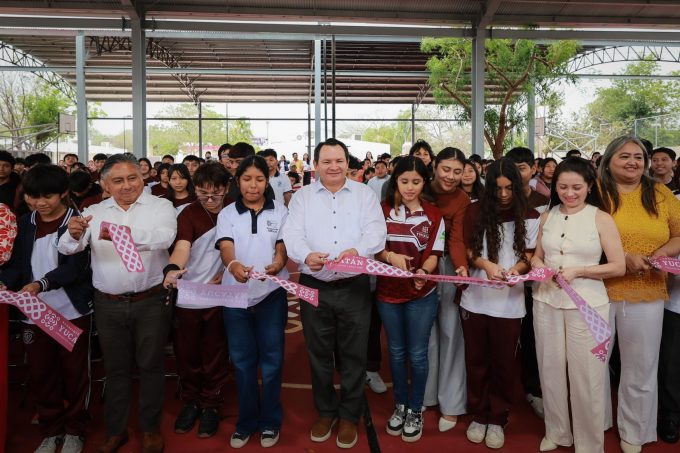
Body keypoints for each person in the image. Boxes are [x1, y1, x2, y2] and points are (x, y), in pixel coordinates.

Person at [58, 153, 177, 453]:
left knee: (151, 366)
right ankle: (116, 430)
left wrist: (119, 234)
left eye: (133, 178)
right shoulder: (94, 211)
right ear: (105, 184)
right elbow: (69, 248)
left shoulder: (160, 206)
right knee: (115, 369)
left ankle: (150, 428)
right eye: (118, 181)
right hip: (108, 303)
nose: (127, 186)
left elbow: (164, 238)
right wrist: (72, 234)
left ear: (143, 177)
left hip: (151, 300)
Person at [282, 138, 386, 449]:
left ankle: (350, 415)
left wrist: (359, 251)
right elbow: (292, 234)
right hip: (313, 284)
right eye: (326, 161)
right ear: (315, 165)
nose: (333, 167)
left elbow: (376, 232)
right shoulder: (302, 198)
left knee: (354, 353)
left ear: (347, 162)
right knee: (318, 352)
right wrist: (305, 255)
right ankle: (326, 411)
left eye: (339, 160)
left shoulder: (364, 194)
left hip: (355, 286)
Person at [531, 157, 625, 453]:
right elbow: (536, 256)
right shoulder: (547, 216)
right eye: (562, 187)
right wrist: (540, 267)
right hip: (546, 300)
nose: (569, 193)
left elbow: (618, 266)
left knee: (587, 376)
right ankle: (557, 431)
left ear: (589, 187)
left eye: (576, 187)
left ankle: (589, 443)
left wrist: (580, 271)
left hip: (588, 305)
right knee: (550, 369)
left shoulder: (601, 218)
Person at [0, 165, 93, 453]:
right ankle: (51, 430)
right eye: (32, 196)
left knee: (75, 374)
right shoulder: (25, 222)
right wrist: (5, 282)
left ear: (63, 193)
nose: (39, 202)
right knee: (42, 374)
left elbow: (75, 268)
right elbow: (17, 264)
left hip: (71, 311)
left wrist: (41, 284)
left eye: (47, 196)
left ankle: (75, 430)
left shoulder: (77, 223)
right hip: (33, 313)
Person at [599, 136, 680, 453]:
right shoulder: (595, 192)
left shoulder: (659, 193)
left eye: (638, 156)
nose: (632, 162)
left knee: (641, 365)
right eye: (624, 156)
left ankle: (635, 430)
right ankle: (595, 422)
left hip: (646, 289)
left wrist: (658, 255)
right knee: (593, 364)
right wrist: (622, 258)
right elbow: (581, 238)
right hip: (597, 290)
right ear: (608, 161)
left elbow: (679, 234)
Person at [461, 158, 540, 449]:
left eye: (509, 188)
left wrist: (516, 271)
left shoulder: (530, 215)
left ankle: (498, 416)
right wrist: (486, 265)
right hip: (475, 300)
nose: (504, 194)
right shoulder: (474, 211)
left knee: (504, 363)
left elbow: (529, 255)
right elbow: (468, 250)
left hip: (509, 303)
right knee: (476, 361)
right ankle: (479, 413)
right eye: (498, 189)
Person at [216, 156, 289, 449]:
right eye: (247, 179)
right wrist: (233, 265)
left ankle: (270, 421)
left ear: (267, 182)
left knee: (272, 361)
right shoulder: (227, 214)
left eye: (259, 179)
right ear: (238, 181)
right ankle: (246, 422)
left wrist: (279, 262)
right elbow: (225, 246)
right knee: (242, 362)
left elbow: (282, 246)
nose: (253, 185)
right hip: (234, 296)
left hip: (271, 294)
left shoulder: (280, 211)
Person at [374, 156, 445, 442]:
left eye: (416, 181)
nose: (410, 187)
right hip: (388, 293)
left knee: (417, 353)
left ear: (425, 182)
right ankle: (400, 405)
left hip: (421, 294)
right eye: (404, 181)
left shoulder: (433, 214)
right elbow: (374, 247)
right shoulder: (382, 211)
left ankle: (416, 409)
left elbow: (434, 253)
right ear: (396, 181)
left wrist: (423, 272)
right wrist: (390, 256)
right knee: (396, 351)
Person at [162, 163, 230, 439]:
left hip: (220, 294)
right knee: (187, 353)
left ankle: (212, 402)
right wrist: (172, 268)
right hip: (189, 293)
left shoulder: (233, 212)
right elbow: (182, 246)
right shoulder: (188, 213)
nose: (210, 199)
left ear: (227, 188)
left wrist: (227, 271)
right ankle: (191, 400)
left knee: (215, 352)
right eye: (203, 193)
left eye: (216, 193)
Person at [423, 147, 470, 433]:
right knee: (424, 334)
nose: (451, 176)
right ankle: (425, 395)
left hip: (449, 265)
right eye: (446, 169)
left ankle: (452, 403)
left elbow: (456, 238)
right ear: (435, 167)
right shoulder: (419, 187)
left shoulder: (462, 198)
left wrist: (461, 266)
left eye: (457, 171)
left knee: (451, 332)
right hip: (419, 267)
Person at [504, 146, 550, 420]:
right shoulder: (499, 196)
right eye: (512, 167)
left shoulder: (543, 200)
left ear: (533, 169)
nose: (516, 173)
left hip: (531, 281)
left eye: (522, 168)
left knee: (532, 338)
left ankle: (533, 389)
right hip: (502, 277)